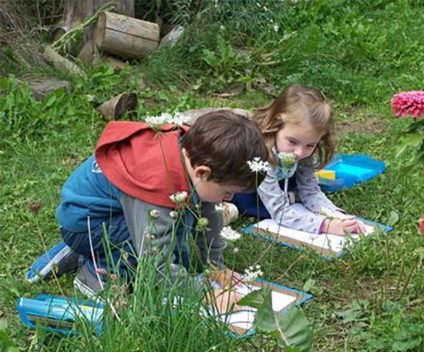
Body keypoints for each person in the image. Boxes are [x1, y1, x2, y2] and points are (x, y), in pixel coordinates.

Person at [26, 110, 268, 310]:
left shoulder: (197, 157)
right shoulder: (157, 181)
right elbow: (156, 264)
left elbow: (209, 211)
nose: (230, 198)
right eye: (228, 192)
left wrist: (216, 266)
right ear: (202, 172)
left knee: (180, 232)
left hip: (109, 215)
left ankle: (86, 251)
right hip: (86, 224)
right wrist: (203, 290)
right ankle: (94, 273)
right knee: (172, 236)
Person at [232, 84, 366, 235]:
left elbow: (311, 191)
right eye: (292, 141)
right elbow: (279, 212)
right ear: (276, 125)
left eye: (310, 145)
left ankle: (292, 195)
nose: (299, 152)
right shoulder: (262, 157)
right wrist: (326, 226)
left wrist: (337, 216)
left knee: (304, 194)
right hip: (251, 195)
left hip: (281, 187)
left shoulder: (303, 151)